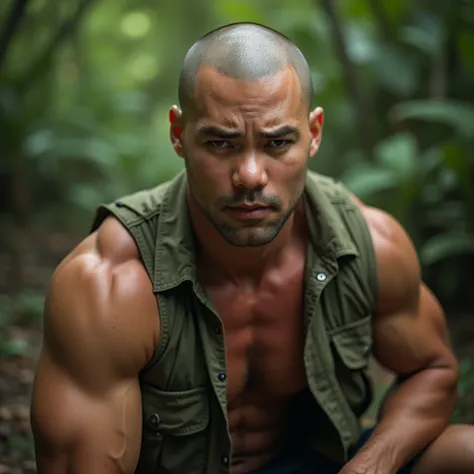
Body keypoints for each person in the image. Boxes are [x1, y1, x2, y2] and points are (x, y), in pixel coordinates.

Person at [30, 22, 474, 474]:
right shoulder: (110, 284)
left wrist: (372, 465)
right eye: (221, 143)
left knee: (464, 452)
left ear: (314, 133)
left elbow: (433, 370)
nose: (249, 175)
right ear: (179, 134)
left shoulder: (371, 246)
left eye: (277, 142)